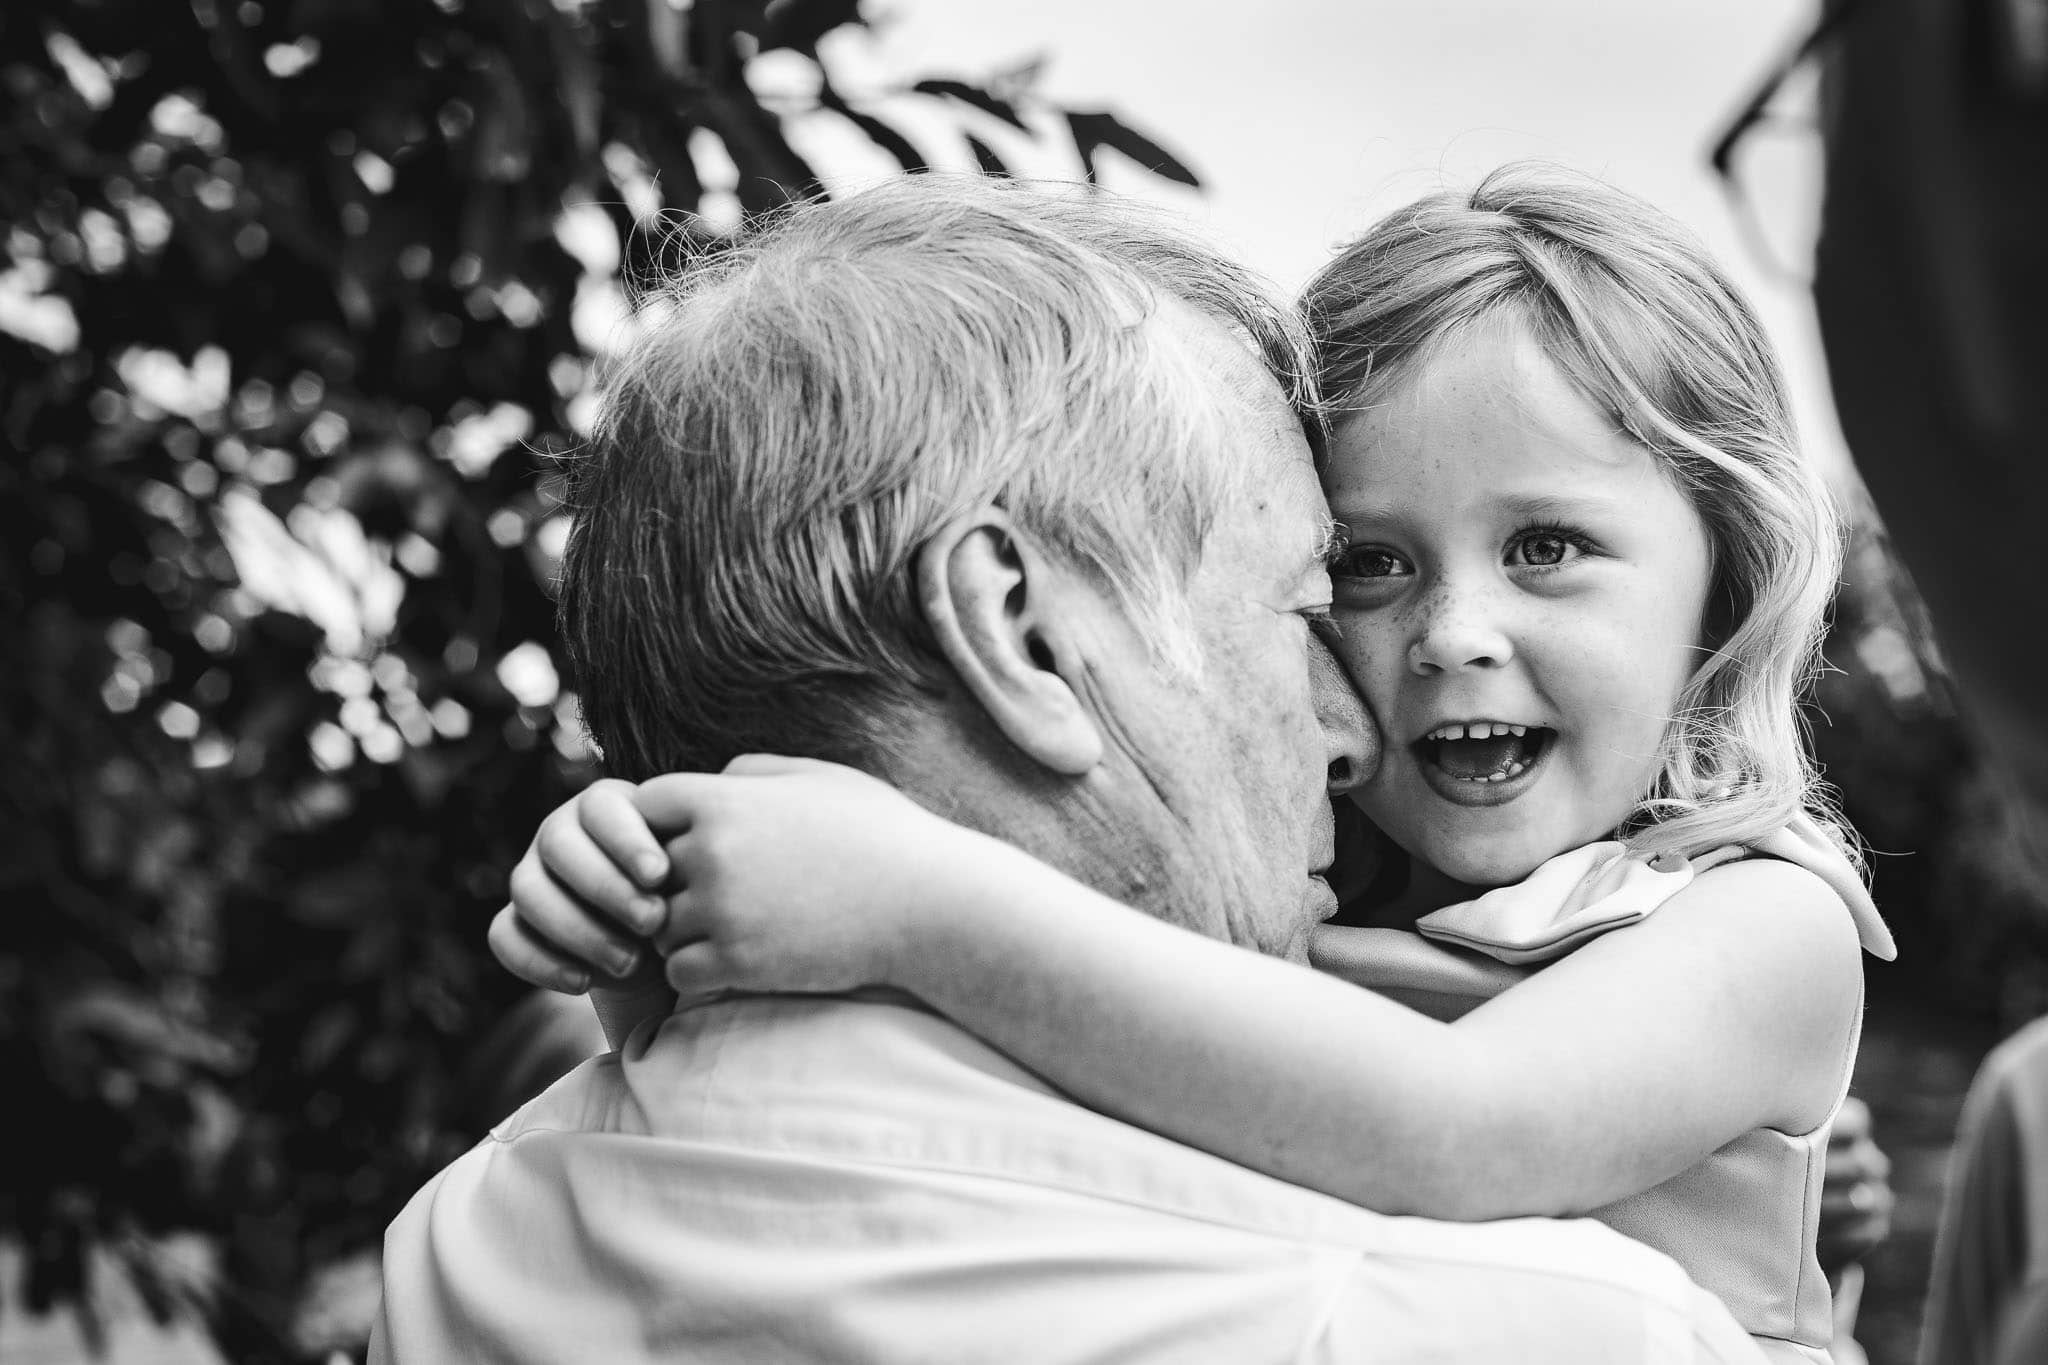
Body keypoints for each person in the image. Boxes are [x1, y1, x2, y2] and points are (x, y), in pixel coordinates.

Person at [496, 166, 1896, 1364]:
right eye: (1364, 565)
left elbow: (1465, 1130)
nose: (1450, 635)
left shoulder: (1755, 915)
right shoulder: (1310, 893)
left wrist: (911, 899)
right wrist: (657, 919)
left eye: (1546, 548)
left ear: (1725, 584)